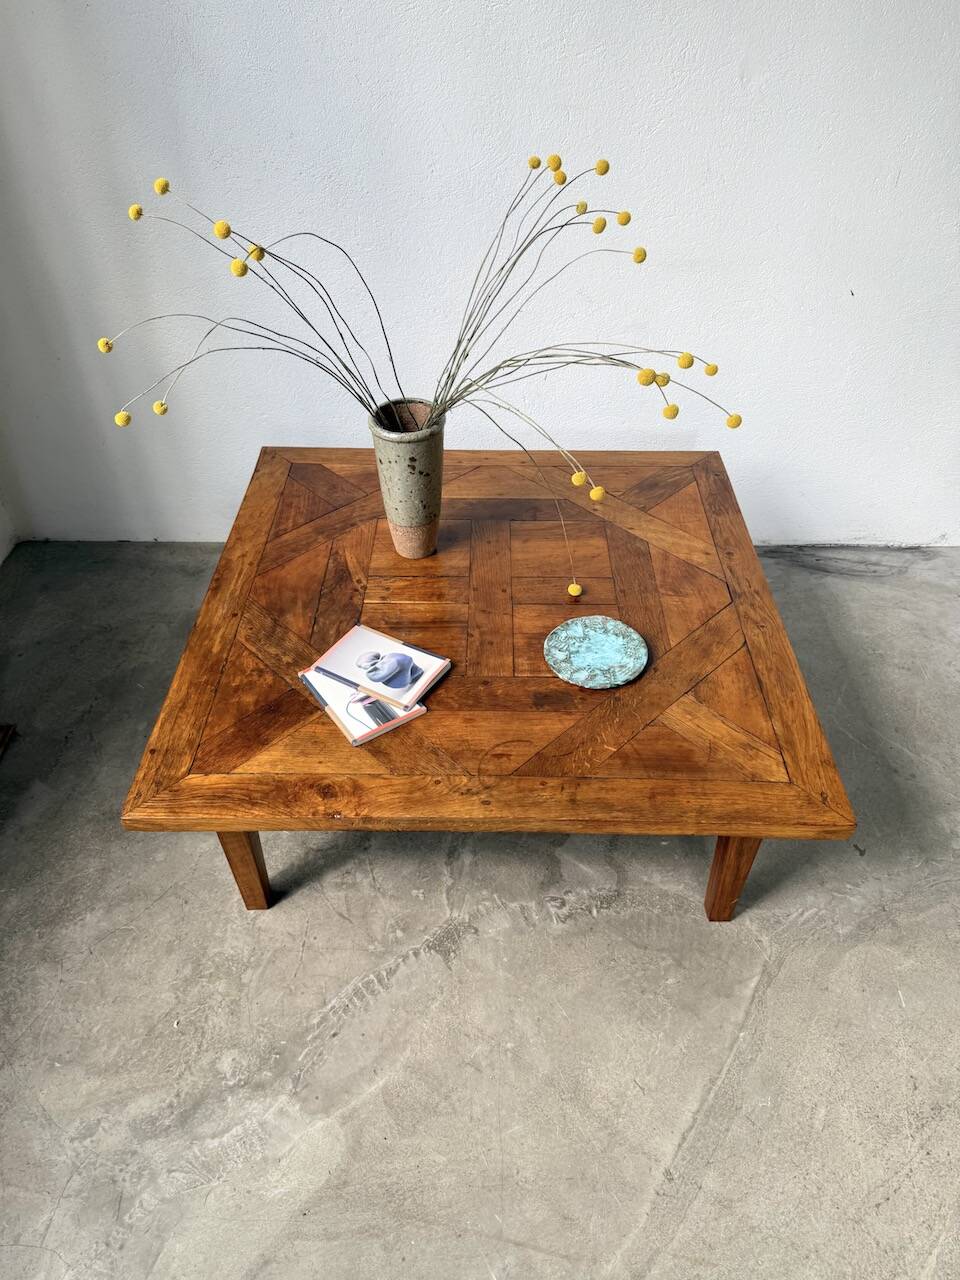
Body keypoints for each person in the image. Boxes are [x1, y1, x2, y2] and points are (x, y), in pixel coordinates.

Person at [355, 649, 423, 690]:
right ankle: (415, 673)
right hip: (402, 666)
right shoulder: (389, 657)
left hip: (399, 678)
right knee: (412, 670)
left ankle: (414, 673)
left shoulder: (372, 672)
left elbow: (377, 677)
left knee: (408, 669)